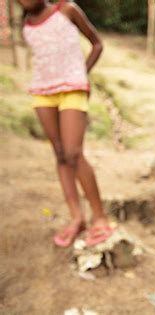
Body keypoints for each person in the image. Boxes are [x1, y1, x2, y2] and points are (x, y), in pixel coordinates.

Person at [19, 0, 112, 247]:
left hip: (73, 88)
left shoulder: (67, 10)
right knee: (60, 154)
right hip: (42, 91)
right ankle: (77, 217)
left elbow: (97, 44)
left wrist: (82, 73)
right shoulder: (26, 23)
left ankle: (100, 218)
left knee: (73, 153)